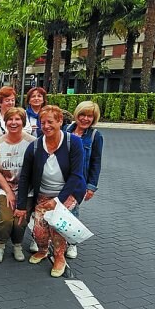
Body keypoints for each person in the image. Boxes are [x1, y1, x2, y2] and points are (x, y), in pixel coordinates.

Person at [15, 105, 86, 278]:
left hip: (67, 193)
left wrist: (58, 201)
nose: (46, 126)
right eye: (42, 122)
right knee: (39, 230)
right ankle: (43, 250)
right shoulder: (35, 146)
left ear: (60, 121)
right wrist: (21, 205)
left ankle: (60, 257)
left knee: (57, 226)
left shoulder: (73, 142)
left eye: (50, 122)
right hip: (43, 194)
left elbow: (76, 175)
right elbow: (24, 176)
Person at [0, 107, 36, 263]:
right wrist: (8, 191)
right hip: (5, 188)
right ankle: (0, 245)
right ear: (5, 122)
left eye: (17, 119)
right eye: (10, 119)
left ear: (23, 122)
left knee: (20, 222)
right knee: (6, 220)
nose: (13, 122)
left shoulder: (31, 142)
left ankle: (17, 245)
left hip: (26, 191)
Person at [64, 101, 104, 259]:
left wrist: (91, 186)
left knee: (72, 212)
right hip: (60, 180)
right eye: (83, 115)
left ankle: (72, 243)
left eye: (90, 116)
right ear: (77, 114)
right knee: (57, 210)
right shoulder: (66, 130)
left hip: (79, 182)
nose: (85, 119)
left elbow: (96, 162)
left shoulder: (95, 136)